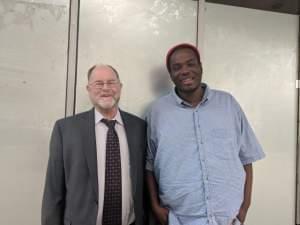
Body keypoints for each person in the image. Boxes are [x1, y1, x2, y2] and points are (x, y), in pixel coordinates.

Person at [146, 43, 265, 225]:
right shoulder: (157, 112)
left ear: (200, 67)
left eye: (190, 64)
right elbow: (150, 164)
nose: (185, 71)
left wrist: (244, 207)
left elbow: (246, 158)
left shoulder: (228, 104)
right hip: (179, 219)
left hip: (228, 218)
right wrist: (156, 207)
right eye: (177, 67)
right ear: (170, 75)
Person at [42, 64, 147, 225]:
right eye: (98, 83)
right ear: (88, 89)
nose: (105, 88)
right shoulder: (65, 129)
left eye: (111, 82)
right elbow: (53, 191)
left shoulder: (139, 127)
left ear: (120, 87)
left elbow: (146, 182)